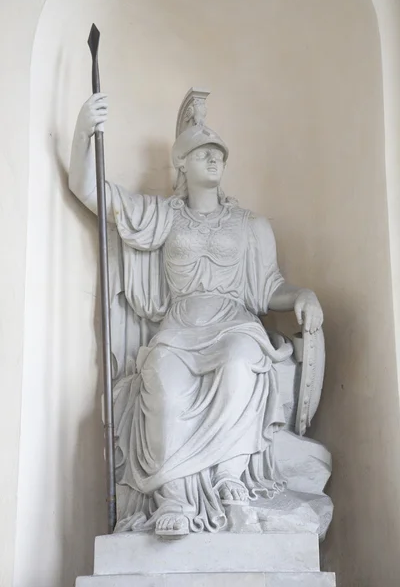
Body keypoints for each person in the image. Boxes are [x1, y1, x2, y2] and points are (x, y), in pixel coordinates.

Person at [69, 89, 323, 538]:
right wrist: (82, 133)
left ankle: (230, 481)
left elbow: (267, 288)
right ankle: (175, 495)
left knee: (242, 359)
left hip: (234, 324)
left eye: (218, 153)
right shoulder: (163, 216)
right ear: (181, 163)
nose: (213, 159)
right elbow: (88, 189)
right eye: (202, 152)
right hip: (179, 331)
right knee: (162, 380)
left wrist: (303, 295)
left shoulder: (251, 226)